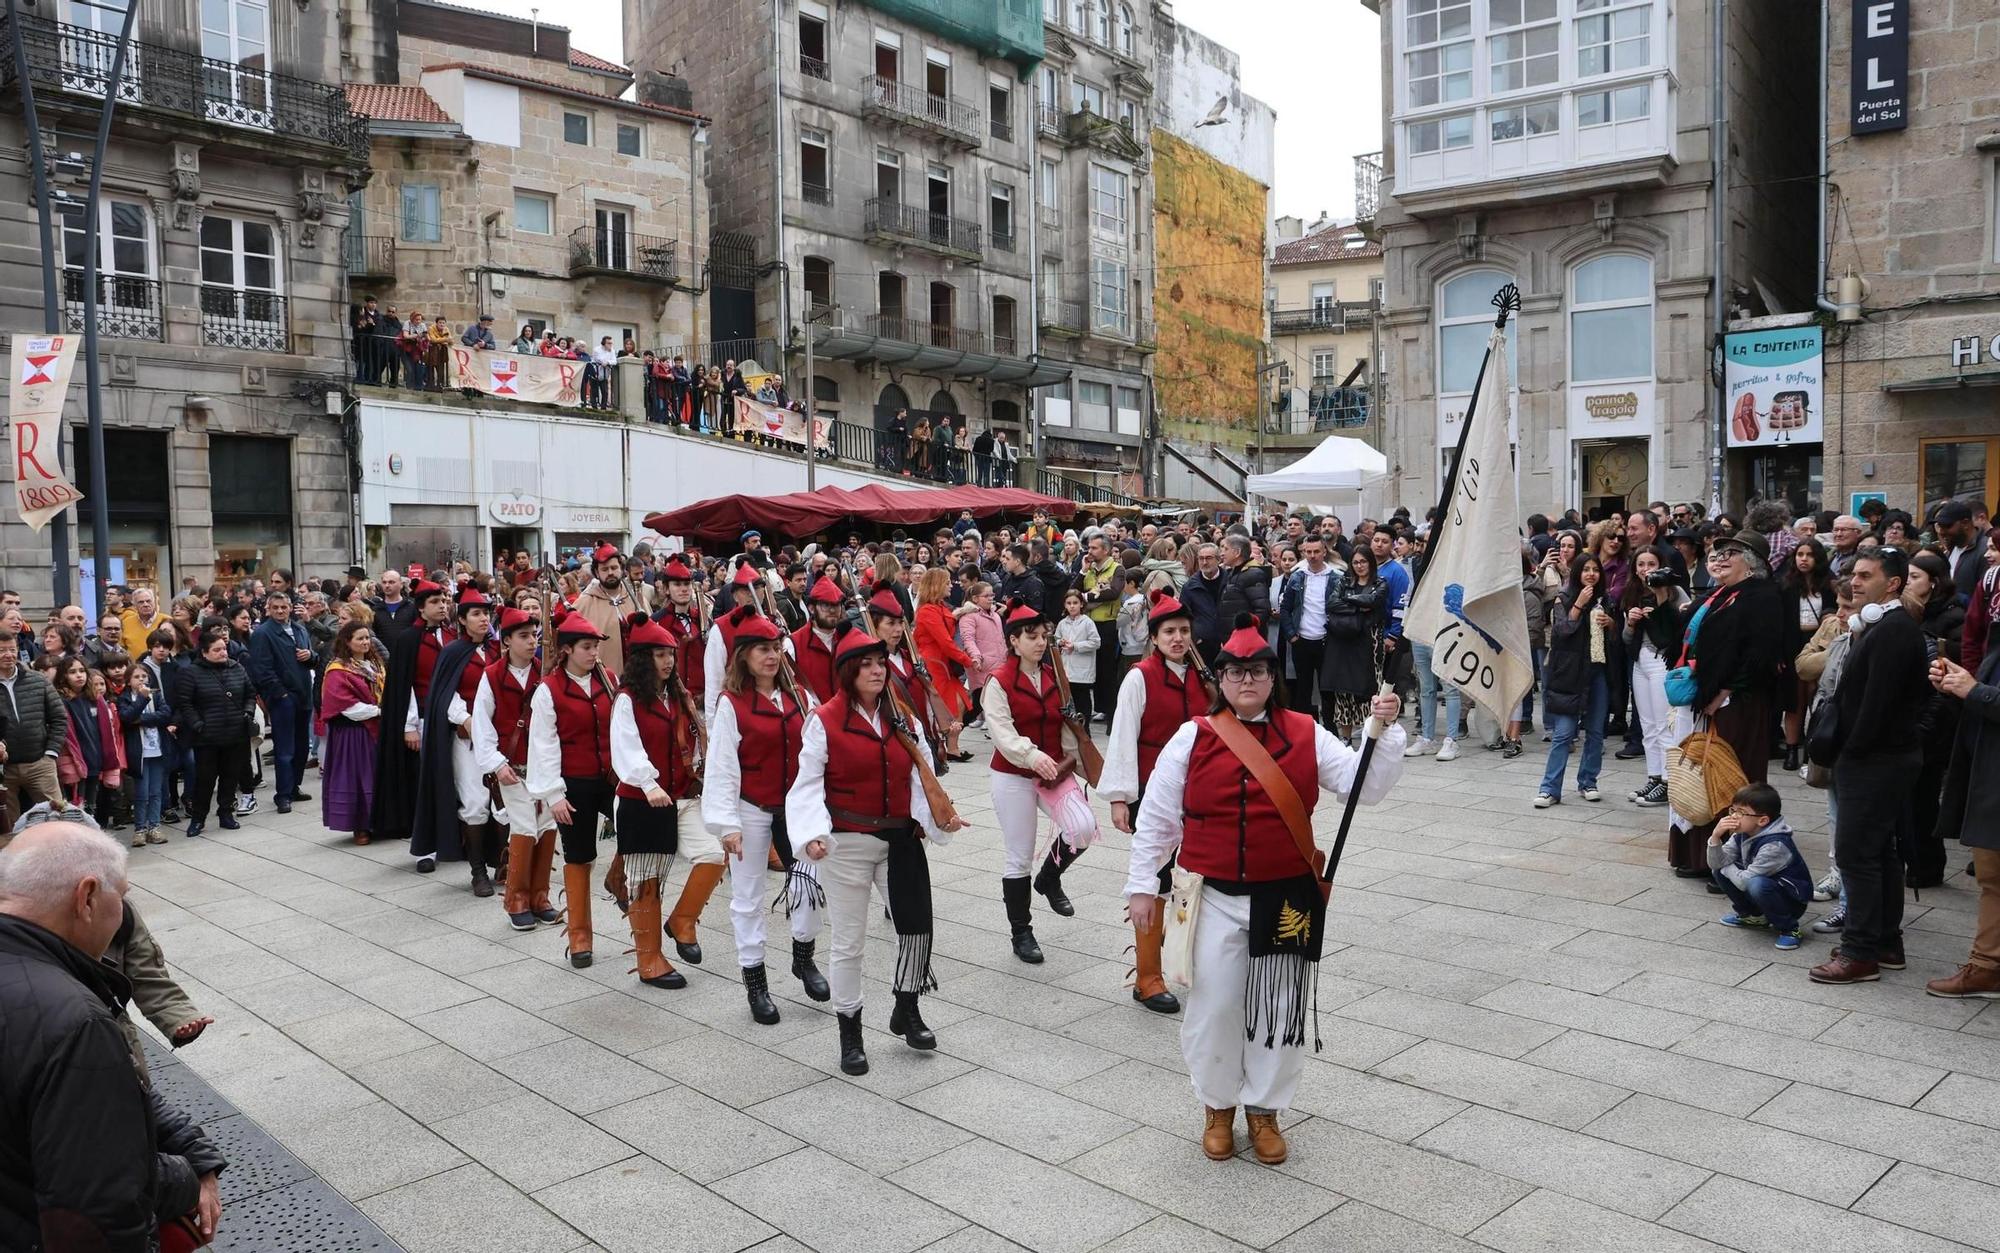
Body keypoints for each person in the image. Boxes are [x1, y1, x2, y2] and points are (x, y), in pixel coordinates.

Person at [1127, 615, 1405, 1165]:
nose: (1246, 681)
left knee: (1280, 1008)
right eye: (1235, 672)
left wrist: (1384, 730)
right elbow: (1157, 818)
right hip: (1212, 895)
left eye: (1257, 672)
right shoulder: (1193, 736)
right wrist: (1141, 885)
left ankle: (1264, 1111)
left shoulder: (1305, 730)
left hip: (1286, 897)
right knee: (1215, 1006)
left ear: (1272, 677)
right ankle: (1217, 1107)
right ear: (1221, 680)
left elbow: (1362, 785)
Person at [0, 819, 227, 1249]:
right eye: (121, 895)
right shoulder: (75, 1023)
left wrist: (191, 1147)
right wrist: (182, 1177)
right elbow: (101, 1204)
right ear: (86, 897)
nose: (123, 908)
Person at [787, 628, 964, 1075]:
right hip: (846, 842)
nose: (876, 670)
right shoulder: (823, 720)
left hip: (901, 838)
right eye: (866, 665)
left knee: (917, 928)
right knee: (849, 943)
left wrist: (937, 815)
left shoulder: (901, 716)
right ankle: (851, 1032)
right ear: (848, 672)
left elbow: (921, 773)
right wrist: (810, 832)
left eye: (880, 664)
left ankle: (906, 1008)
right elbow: (806, 785)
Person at [1809, 548, 1930, 985]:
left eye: (1865, 575)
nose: (1854, 582)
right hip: (1877, 757)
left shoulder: (1894, 631)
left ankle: (1861, 952)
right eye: (1852, 574)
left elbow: (1876, 707)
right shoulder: (1880, 626)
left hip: (1875, 759)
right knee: (1878, 852)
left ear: (1892, 584)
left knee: (1858, 855)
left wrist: (1851, 754)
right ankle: (1883, 943)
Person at [703, 612, 828, 1022]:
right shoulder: (731, 703)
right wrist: (727, 825)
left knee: (809, 884)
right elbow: (721, 766)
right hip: (750, 808)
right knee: (748, 899)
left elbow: (815, 757)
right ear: (743, 655)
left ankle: (803, 956)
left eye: (775, 648)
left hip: (794, 809)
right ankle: (756, 982)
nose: (771, 656)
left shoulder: (798, 696)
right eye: (762, 649)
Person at [983, 597, 1102, 961]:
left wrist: (1089, 769)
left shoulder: (1055, 676)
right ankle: (1022, 932)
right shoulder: (998, 681)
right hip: (1013, 774)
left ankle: (1049, 877)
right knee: (1018, 857)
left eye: (1043, 635)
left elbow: (1069, 732)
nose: (1039, 641)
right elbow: (1002, 733)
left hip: (1054, 771)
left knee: (1083, 827)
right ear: (1013, 641)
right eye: (1031, 636)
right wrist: (1032, 755)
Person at [1665, 531, 1789, 875]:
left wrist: (1723, 693)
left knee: (1731, 777)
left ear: (1751, 564)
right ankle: (1699, 856)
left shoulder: (1762, 596)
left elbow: (1760, 655)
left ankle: (1732, 862)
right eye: (1716, 553)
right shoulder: (1718, 594)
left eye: (1729, 553)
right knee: (1703, 773)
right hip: (1708, 698)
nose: (1718, 558)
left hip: (1740, 702)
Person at [608, 618, 708, 990]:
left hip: (682, 794)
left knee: (713, 854)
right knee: (645, 882)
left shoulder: (678, 694)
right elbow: (626, 748)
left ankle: (682, 920)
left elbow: (693, 739)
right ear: (641, 659)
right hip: (641, 800)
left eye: (670, 654)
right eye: (659, 654)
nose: (667, 661)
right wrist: (648, 782)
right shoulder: (627, 699)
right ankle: (649, 959)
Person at [527, 612, 616, 968]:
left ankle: (619, 879)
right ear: (566, 650)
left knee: (639, 832)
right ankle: (580, 935)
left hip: (611, 778)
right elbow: (544, 744)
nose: (593, 653)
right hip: (573, 783)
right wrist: (554, 794)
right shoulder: (548, 690)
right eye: (586, 647)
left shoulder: (609, 680)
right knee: (579, 855)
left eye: (596, 646)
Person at [471, 607, 561, 931]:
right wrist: (497, 764)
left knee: (547, 827)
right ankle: (516, 899)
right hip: (513, 767)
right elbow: (481, 723)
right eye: (523, 636)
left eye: (534, 635)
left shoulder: (546, 672)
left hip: (545, 767)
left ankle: (540, 896)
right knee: (524, 828)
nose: (531, 641)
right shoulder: (492, 675)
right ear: (506, 641)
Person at [411, 591, 500, 890]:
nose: (483, 618)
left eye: (486, 613)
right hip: (468, 740)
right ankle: (477, 872)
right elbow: (446, 696)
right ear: (462, 620)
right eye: (475, 614)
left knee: (504, 804)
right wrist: (466, 721)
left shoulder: (499, 650)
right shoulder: (451, 653)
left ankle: (503, 861)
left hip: (501, 739)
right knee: (475, 803)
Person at [1926, 646, 2000, 997]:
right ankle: (1987, 966)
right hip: (1987, 776)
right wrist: (1957, 688)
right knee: (1993, 879)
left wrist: (1975, 690)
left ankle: (1987, 966)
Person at [371, 578, 451, 842]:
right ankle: (425, 840)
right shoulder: (408, 640)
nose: (442, 606)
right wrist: (409, 727)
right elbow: (405, 687)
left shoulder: (451, 635)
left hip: (453, 719)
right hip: (423, 720)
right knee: (421, 782)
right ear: (420, 607)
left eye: (444, 601)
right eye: (435, 602)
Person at [1537, 554, 1612, 807]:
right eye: (1586, 570)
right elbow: (1561, 633)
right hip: (1569, 674)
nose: (1591, 574)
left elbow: (1616, 641)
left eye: (1595, 570)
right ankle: (1549, 789)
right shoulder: (1563, 598)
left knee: (1596, 732)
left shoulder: (1606, 600)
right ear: (1577, 572)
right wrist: (1579, 605)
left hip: (1598, 672)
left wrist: (1612, 622)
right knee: (1564, 733)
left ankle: (1588, 781)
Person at [1621, 545, 1690, 806]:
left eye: (1651, 564)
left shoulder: (1674, 591)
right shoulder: (1632, 593)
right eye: (1641, 564)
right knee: (1647, 724)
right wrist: (1631, 622)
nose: (1646, 569)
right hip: (1641, 660)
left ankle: (1669, 781)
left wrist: (1661, 598)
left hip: (1664, 660)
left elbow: (1681, 630)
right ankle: (1654, 776)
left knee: (1664, 724)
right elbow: (1626, 640)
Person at [1708, 783, 1813, 950]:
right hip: (1765, 890)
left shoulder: (1775, 845)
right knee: (1720, 870)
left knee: (1755, 883)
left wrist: (1725, 867)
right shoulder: (1742, 833)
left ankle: (1790, 929)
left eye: (1741, 813)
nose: (1734, 816)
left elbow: (1744, 881)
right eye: (1733, 810)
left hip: (1790, 900)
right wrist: (1715, 837)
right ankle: (1753, 916)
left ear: (1763, 820)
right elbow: (1715, 864)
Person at [181, 628, 255, 838]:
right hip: (207, 737)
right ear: (204, 652)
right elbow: (185, 704)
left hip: (236, 734)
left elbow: (250, 693)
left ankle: (226, 813)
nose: (223, 653)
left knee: (230, 777)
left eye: (224, 648)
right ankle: (198, 818)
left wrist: (248, 712)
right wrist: (197, 724)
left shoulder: (237, 668)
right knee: (205, 780)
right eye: (217, 650)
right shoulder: (191, 673)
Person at [317, 620, 384, 847]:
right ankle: (360, 826)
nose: (365, 642)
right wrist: (379, 711)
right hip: (352, 733)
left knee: (377, 777)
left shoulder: (375, 665)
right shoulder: (338, 669)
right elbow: (345, 705)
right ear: (348, 642)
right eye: (360, 639)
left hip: (376, 729)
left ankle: (380, 821)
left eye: (367, 638)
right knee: (357, 778)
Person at [247, 590, 313, 815]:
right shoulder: (262, 633)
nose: (280, 611)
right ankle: (282, 795)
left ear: (290, 607)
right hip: (283, 697)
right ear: (268, 608)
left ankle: (294, 787)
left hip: (304, 693)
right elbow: (261, 669)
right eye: (275, 607)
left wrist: (311, 656)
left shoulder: (299, 628)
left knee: (302, 746)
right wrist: (280, 694)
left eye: (283, 607)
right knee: (285, 749)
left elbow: (312, 656)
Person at [1779, 537, 1837, 771]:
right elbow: (1780, 621)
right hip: (1793, 643)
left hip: (1820, 643)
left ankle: (1812, 748)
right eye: (1800, 554)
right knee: (1794, 701)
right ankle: (1792, 748)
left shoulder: (1829, 584)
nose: (1803, 559)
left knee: (1816, 695)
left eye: (1809, 555)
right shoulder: (1786, 584)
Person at [911, 568, 975, 761]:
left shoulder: (936, 607)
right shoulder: (929, 610)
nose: (951, 585)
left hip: (941, 663)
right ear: (938, 585)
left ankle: (952, 747)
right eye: (947, 582)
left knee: (958, 702)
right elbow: (945, 641)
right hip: (934, 664)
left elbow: (947, 625)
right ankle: (947, 745)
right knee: (948, 704)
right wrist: (968, 661)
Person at [574, 545, 639, 677]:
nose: (610, 572)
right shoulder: (585, 602)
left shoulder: (635, 598)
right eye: (604, 569)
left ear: (621, 569)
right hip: (602, 678)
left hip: (638, 676)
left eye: (614, 568)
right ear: (597, 573)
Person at [1055, 588, 1101, 728]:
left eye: (1075, 602)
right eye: (1069, 603)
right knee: (1069, 700)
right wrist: (1060, 642)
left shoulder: (1087, 622)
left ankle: (1084, 728)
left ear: (1081, 604)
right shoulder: (1063, 623)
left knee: (1082, 701)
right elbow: (1056, 638)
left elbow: (1096, 642)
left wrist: (1075, 646)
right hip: (1067, 669)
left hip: (1082, 671)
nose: (1072, 606)